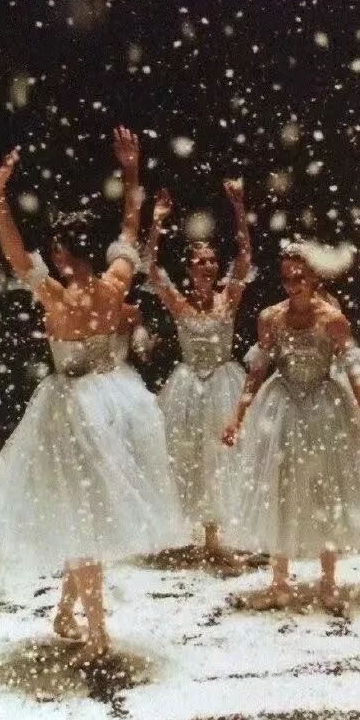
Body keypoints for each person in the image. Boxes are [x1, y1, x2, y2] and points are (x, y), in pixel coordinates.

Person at [0, 137, 185, 664]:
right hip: (116, 402)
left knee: (81, 518)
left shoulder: (57, 297)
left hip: (75, 412)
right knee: (81, 515)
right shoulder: (115, 284)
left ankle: (98, 633)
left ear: (62, 252)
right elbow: (129, 230)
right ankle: (67, 612)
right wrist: (132, 173)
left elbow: (14, 255)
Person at [221, 245, 360, 612]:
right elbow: (257, 370)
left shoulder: (332, 319)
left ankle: (328, 583)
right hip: (282, 406)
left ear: (314, 278)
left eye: (300, 277)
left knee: (325, 489)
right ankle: (279, 583)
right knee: (280, 487)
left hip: (323, 408)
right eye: (287, 278)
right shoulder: (271, 317)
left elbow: (355, 370)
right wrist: (237, 416)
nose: (293, 285)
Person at [145, 182, 252, 557]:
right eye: (200, 261)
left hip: (223, 382)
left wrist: (239, 208)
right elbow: (151, 268)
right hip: (189, 385)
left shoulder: (228, 298)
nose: (207, 266)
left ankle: (216, 535)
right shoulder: (179, 302)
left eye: (211, 260)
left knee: (222, 455)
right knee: (189, 455)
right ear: (189, 268)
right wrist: (157, 223)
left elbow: (245, 256)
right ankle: (199, 532)